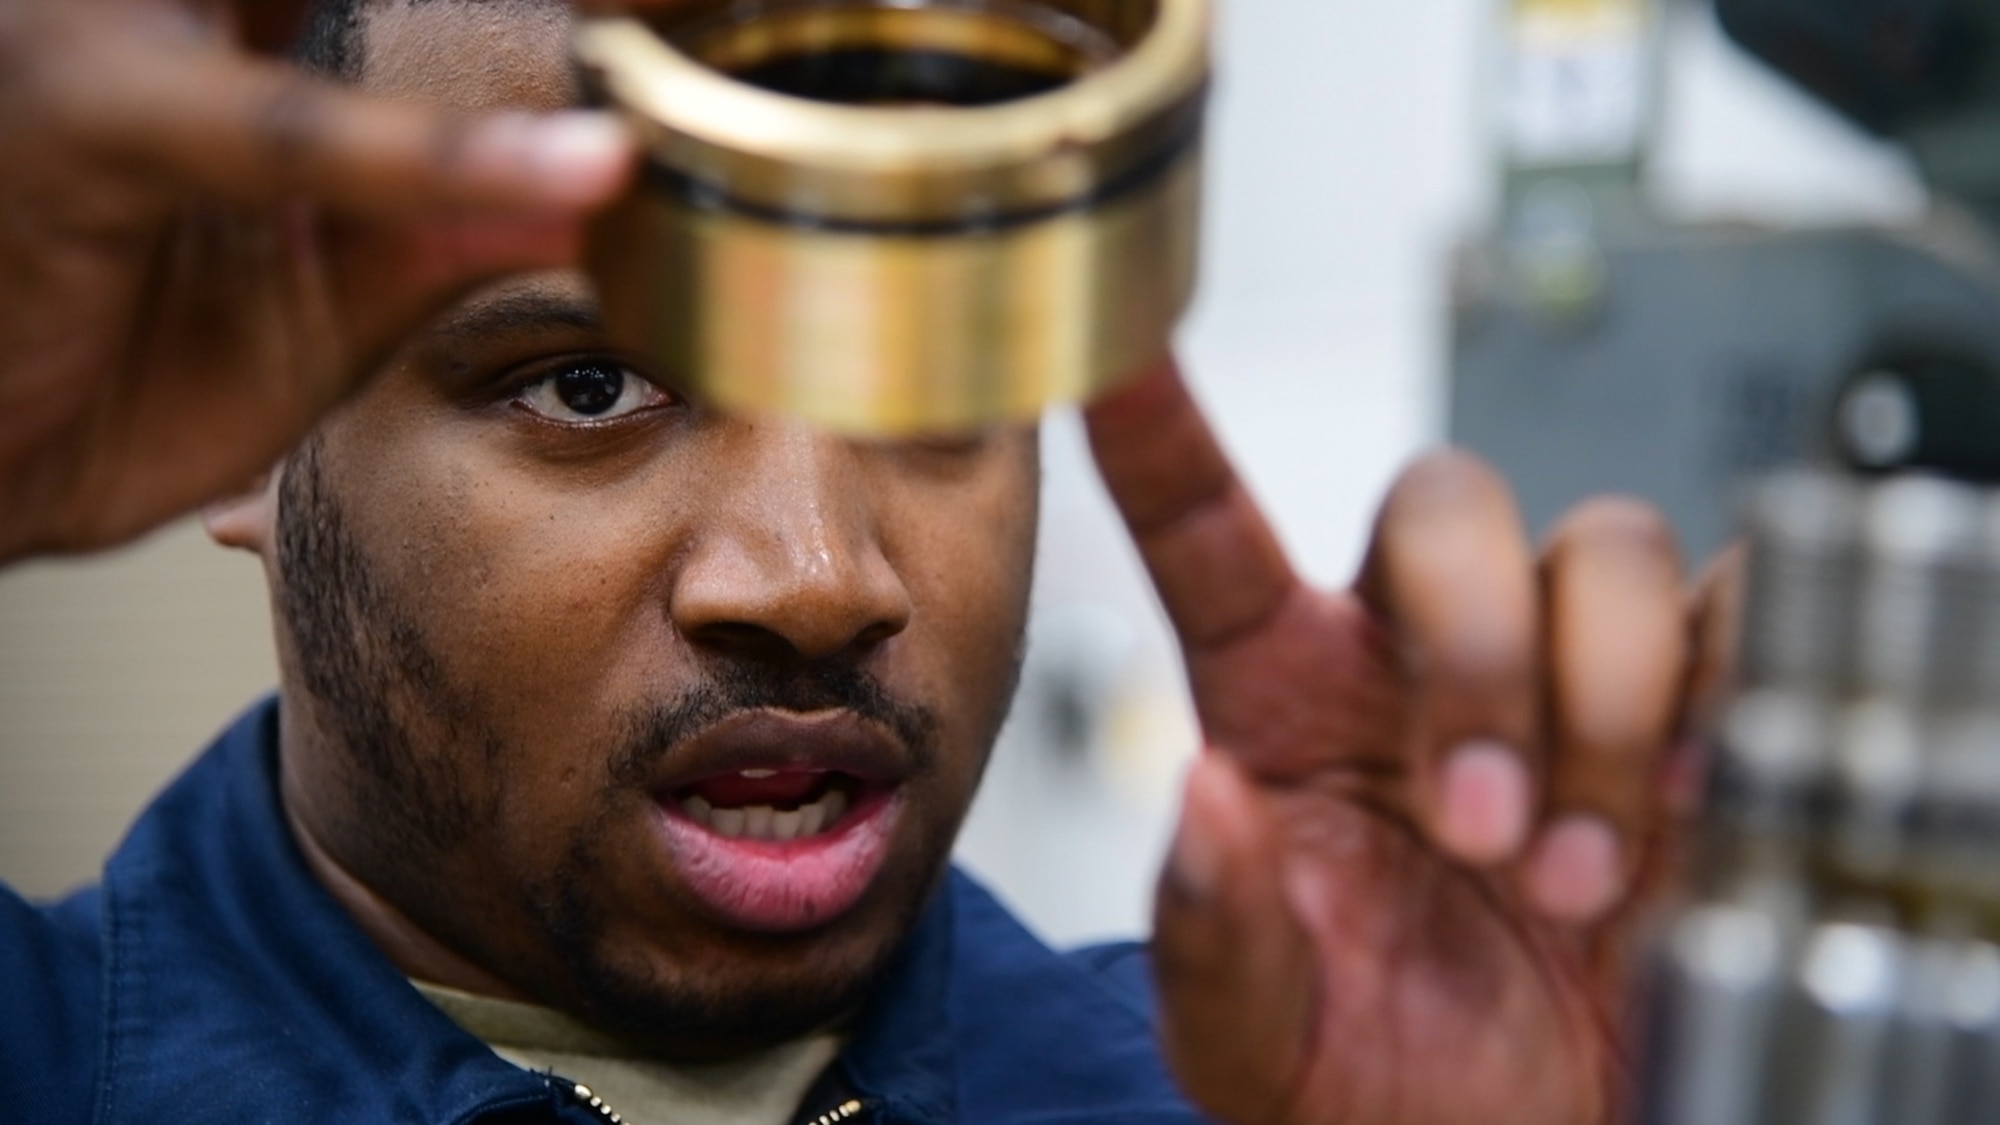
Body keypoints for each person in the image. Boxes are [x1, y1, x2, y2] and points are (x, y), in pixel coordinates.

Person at [0, 1, 1735, 1122]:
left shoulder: (1283, 1100)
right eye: (590, 384)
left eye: (927, 375)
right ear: (245, 423)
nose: (818, 574)